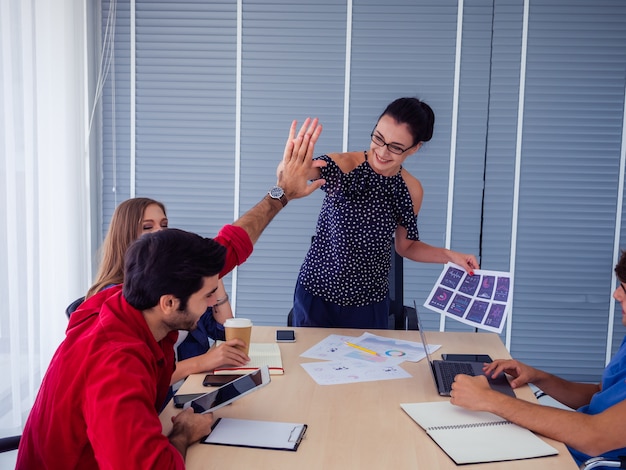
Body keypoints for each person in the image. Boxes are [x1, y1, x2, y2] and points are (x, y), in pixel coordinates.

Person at [17, 118, 324, 469]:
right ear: (168, 303)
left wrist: (281, 192)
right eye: (208, 295)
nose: (215, 301)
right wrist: (184, 434)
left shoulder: (128, 299)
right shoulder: (116, 364)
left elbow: (229, 246)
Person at [291, 97, 479, 329]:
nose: (382, 151)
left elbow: (406, 246)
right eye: (378, 138)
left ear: (415, 148)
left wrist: (451, 256)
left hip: (368, 305)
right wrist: (290, 167)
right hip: (317, 295)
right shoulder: (342, 165)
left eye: (396, 147)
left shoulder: (411, 189)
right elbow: (295, 174)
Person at [450, 250, 626, 466]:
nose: (616, 295)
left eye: (624, 288)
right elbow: (600, 394)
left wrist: (490, 399)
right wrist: (538, 377)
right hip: (564, 445)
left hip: (579, 460)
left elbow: (595, 437)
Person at [85, 197, 248, 385]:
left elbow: (221, 331)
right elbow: (140, 372)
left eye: (164, 225)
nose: (159, 233)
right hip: (168, 395)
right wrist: (202, 362)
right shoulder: (116, 297)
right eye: (147, 227)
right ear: (126, 237)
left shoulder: (174, 278)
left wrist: (213, 279)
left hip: (190, 384)